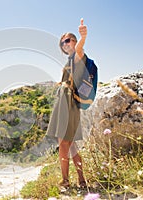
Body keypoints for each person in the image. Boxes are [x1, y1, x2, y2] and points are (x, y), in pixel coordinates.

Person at [46, 18, 89, 189]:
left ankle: (65, 181)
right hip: (65, 101)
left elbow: (79, 50)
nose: (64, 44)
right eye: (62, 43)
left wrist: (83, 37)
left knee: (63, 142)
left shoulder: (78, 55)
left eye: (67, 41)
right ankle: (81, 180)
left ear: (75, 42)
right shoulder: (70, 60)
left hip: (68, 102)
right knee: (71, 144)